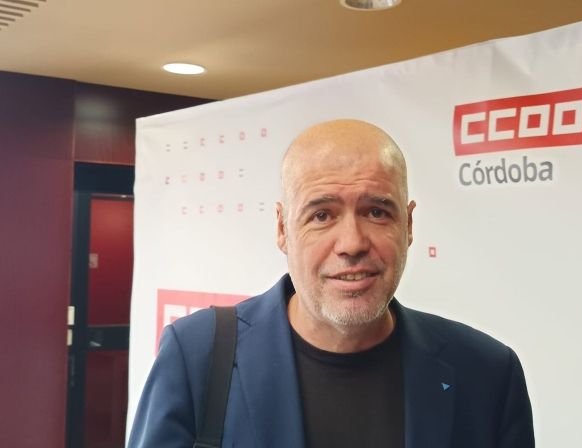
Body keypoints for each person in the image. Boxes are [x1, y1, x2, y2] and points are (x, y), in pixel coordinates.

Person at [128, 119, 534, 447]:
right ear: (283, 228)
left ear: (408, 225)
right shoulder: (197, 355)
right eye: (321, 215)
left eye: (377, 212)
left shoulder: (487, 373)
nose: (352, 243)